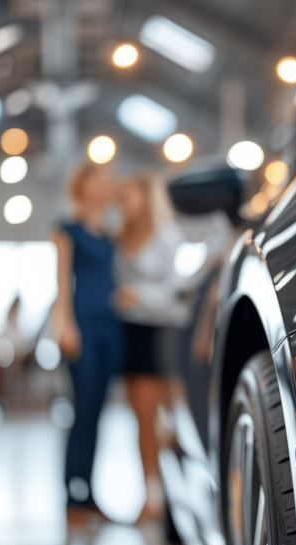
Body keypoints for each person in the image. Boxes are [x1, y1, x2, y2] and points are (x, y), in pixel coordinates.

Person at [114, 173, 190, 523]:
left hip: (163, 333)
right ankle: (151, 495)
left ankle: (180, 495)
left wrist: (139, 296)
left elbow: (179, 295)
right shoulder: (118, 237)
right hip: (130, 331)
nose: (123, 202)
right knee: (141, 420)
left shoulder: (168, 235)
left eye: (129, 195)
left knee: (170, 420)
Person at [52, 163, 122, 526]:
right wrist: (65, 325)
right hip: (82, 326)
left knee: (98, 412)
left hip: (111, 326)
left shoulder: (110, 234)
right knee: (81, 410)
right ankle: (70, 495)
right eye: (100, 180)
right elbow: (62, 282)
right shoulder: (68, 230)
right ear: (83, 185)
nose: (107, 185)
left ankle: (90, 492)